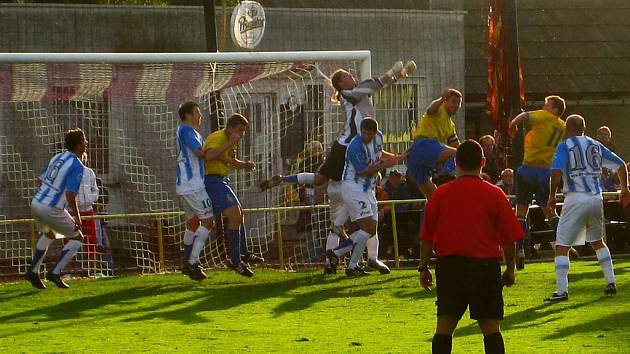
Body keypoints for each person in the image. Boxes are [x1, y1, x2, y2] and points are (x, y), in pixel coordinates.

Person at [260, 61, 416, 273]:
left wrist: (398, 76)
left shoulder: (359, 100)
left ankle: (355, 259)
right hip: (345, 150)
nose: (352, 76)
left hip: (343, 153)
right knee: (353, 211)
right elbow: (375, 84)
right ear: (341, 83)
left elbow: (375, 87)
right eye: (347, 75)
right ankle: (348, 257)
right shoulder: (349, 94)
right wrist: (392, 71)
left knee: (322, 184)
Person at [419, 140, 523, 354]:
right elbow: (508, 238)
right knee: (491, 328)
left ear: (456, 161)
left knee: (445, 326)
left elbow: (427, 236)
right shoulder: (495, 194)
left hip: (450, 266)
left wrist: (423, 267)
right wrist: (510, 268)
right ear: (483, 162)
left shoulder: (440, 194)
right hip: (484, 267)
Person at [545, 115, 630, 301]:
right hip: (595, 197)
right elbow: (621, 165)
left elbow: (556, 172)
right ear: (585, 127)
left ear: (567, 129)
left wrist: (551, 195)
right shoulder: (596, 145)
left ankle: (561, 290)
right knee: (598, 241)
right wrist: (625, 189)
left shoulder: (564, 146)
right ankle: (610, 281)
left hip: (575, 198)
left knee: (562, 246)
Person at [327, 118, 406, 276]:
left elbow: (379, 153)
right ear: (360, 130)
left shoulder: (378, 137)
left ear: (375, 132)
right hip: (353, 188)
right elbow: (362, 171)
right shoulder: (355, 147)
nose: (366, 136)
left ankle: (357, 263)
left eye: (369, 134)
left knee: (372, 229)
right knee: (367, 228)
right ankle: (339, 256)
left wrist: (396, 157)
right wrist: (388, 164)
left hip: (368, 190)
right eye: (364, 133)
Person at [24, 128, 88, 289]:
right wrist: (77, 217)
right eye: (84, 140)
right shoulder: (77, 165)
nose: (86, 143)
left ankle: (33, 271)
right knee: (78, 238)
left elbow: (42, 178)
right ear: (78, 145)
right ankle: (55, 272)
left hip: (37, 202)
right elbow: (71, 194)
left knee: (49, 234)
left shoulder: (58, 157)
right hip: (51, 207)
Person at [508, 95, 566, 270]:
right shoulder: (562, 126)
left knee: (521, 212)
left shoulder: (543, 115)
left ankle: (520, 249)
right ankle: (564, 246)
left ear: (554, 108)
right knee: (549, 211)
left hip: (528, 169)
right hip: (545, 172)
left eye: (547, 103)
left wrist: (512, 125)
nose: (543, 105)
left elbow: (524, 115)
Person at [203, 113, 262, 277]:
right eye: (240, 130)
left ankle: (242, 254)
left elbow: (227, 160)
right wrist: (230, 142)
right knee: (234, 216)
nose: (241, 134)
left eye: (243, 131)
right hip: (212, 181)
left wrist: (245, 165)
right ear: (230, 128)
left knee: (238, 215)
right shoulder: (218, 137)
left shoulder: (229, 141)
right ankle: (236, 260)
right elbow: (208, 156)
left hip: (221, 180)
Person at [176, 101, 215, 281]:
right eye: (197, 113)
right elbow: (200, 153)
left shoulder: (194, 133)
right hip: (193, 185)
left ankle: (187, 262)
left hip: (190, 185)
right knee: (208, 221)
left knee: (192, 224)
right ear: (189, 115)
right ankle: (193, 262)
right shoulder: (185, 130)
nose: (200, 116)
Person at [406, 88, 462, 200]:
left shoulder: (451, 126)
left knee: (433, 198)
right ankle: (445, 174)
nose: (456, 105)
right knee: (460, 154)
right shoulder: (439, 109)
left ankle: (427, 217)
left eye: (458, 103)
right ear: (445, 101)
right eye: (453, 101)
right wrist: (441, 98)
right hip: (424, 146)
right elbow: (431, 109)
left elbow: (456, 146)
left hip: (416, 159)